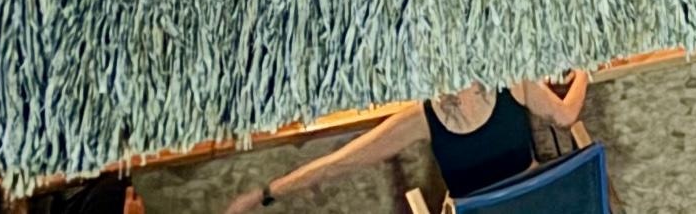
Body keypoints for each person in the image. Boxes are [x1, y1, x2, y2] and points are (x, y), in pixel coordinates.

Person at [224, 79, 591, 214]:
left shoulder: (421, 118)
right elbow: (566, 115)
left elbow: (336, 164)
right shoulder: (513, 83)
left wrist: (265, 193)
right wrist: (583, 73)